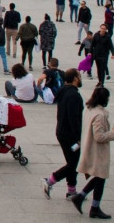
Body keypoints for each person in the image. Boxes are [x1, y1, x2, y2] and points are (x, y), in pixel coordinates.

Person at [72, 86, 114, 219]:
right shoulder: (100, 115)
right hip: (97, 151)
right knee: (101, 177)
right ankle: (93, 206)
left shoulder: (89, 109)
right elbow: (99, 136)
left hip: (89, 147)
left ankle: (82, 197)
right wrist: (113, 132)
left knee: (100, 177)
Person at [42, 68, 84, 200]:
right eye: (79, 76)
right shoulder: (73, 95)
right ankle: (50, 180)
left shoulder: (63, 91)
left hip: (61, 131)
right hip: (69, 135)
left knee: (72, 162)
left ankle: (71, 191)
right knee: (73, 164)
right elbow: (73, 118)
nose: (81, 78)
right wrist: (78, 138)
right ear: (75, 78)